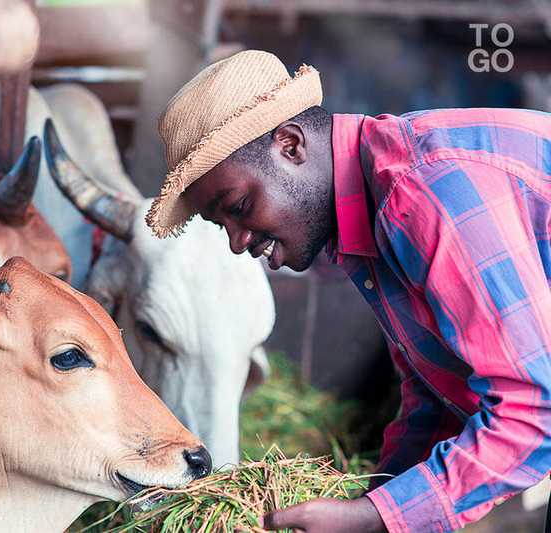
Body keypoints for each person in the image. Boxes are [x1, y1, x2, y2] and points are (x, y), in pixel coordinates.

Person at [145, 50, 551, 532]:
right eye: (221, 226)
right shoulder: (370, 220)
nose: (238, 242)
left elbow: (537, 409)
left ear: (291, 146)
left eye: (239, 206)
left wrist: (374, 518)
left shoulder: (423, 190)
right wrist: (375, 501)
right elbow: (438, 394)